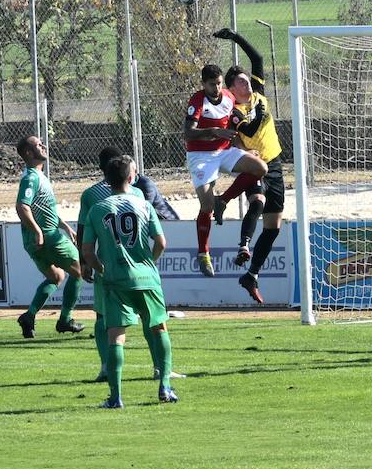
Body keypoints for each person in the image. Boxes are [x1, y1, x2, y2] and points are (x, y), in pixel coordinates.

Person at [81, 156, 177, 407]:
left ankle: (116, 397)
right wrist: (149, 263)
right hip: (146, 277)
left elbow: (88, 251)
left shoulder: (97, 209)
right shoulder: (144, 205)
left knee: (116, 336)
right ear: (131, 178)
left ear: (106, 180)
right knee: (159, 328)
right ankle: (165, 387)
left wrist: (102, 270)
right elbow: (161, 243)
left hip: (115, 279)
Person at [213, 28, 285, 304]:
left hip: (275, 163)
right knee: (257, 201)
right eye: (241, 83)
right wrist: (260, 113)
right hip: (254, 165)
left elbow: (257, 59)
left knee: (273, 226)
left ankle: (251, 275)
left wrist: (236, 38)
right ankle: (243, 245)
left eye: (247, 81)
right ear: (232, 90)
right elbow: (252, 128)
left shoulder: (259, 95)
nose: (247, 85)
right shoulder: (233, 112)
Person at [183, 64, 267, 277]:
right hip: (201, 157)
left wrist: (246, 150)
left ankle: (224, 200)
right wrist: (214, 131)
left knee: (260, 167)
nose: (216, 88)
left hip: (224, 151)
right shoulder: (197, 100)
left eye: (219, 83)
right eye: (212, 84)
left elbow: (233, 130)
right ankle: (203, 253)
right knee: (206, 205)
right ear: (204, 84)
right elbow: (188, 134)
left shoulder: (229, 97)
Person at [13, 135, 84, 339]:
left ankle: (29, 315)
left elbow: (43, 209)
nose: (43, 146)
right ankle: (65, 319)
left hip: (35, 242)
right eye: (38, 145)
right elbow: (22, 206)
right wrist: (38, 231)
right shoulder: (31, 178)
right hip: (48, 238)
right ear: (28, 153)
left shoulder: (38, 176)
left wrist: (65, 227)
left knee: (56, 277)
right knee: (79, 269)